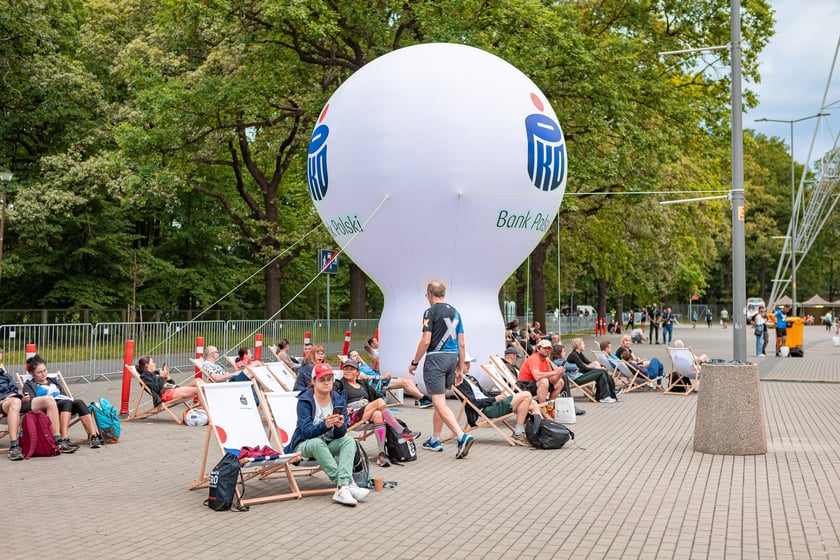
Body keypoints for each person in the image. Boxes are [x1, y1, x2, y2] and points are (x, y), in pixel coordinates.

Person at [286, 363, 369, 507]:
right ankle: (346, 485)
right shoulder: (305, 401)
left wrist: (339, 426)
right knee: (317, 443)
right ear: (313, 381)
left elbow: (340, 434)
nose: (326, 382)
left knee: (349, 441)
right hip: (305, 446)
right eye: (322, 379)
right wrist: (325, 425)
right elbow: (306, 432)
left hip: (328, 444)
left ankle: (342, 488)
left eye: (329, 379)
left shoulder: (338, 399)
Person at [408, 280, 474, 459]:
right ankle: (435, 439)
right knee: (441, 399)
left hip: (435, 358)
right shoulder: (456, 312)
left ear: (429, 295)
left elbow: (426, 340)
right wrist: (460, 368)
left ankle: (461, 436)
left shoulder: (430, 311)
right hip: (452, 358)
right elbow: (462, 343)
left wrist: (414, 362)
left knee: (437, 401)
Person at [336, 359, 416, 467]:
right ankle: (400, 430)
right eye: (346, 369)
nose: (348, 371)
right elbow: (332, 398)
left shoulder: (363, 384)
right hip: (351, 416)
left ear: (357, 372)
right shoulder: (339, 384)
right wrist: (344, 408)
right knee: (378, 403)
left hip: (366, 412)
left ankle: (381, 454)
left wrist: (373, 406)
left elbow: (379, 395)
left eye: (351, 369)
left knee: (378, 414)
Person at [24, 355, 105, 449]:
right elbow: (32, 402)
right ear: (32, 373)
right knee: (67, 402)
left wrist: (68, 395)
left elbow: (62, 395)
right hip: (47, 409)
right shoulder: (30, 385)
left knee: (79, 402)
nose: (43, 374)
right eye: (39, 372)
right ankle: (63, 438)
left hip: (64, 406)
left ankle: (93, 436)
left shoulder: (52, 381)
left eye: (45, 370)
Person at [454, 360, 542, 447]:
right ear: (458, 365)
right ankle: (519, 433)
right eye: (466, 363)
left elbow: (485, 395)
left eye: (469, 363)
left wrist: (497, 398)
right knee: (526, 395)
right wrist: (494, 399)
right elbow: (474, 403)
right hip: (486, 409)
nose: (469, 365)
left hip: (491, 404)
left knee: (533, 403)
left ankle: (540, 433)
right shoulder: (459, 382)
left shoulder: (470, 378)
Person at [0, 349, 65, 459]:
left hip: (16, 401)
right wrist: (6, 398)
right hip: (3, 403)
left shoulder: (3, 372)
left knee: (49, 400)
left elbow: (13, 389)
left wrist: (22, 397)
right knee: (15, 402)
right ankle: (14, 446)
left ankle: (55, 440)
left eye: (0, 353)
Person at [346, 349, 431, 408]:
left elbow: (369, 369)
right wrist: (382, 376)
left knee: (409, 379)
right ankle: (423, 398)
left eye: (358, 355)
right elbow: (366, 377)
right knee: (404, 382)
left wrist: (359, 358)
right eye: (354, 356)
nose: (357, 357)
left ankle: (419, 399)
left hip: (379, 378)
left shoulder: (362, 365)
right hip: (376, 382)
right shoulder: (353, 368)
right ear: (350, 358)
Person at [517, 339, 567, 408]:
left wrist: (560, 373)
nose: (547, 350)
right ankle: (542, 408)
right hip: (524, 385)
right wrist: (554, 372)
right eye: (544, 348)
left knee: (560, 382)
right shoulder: (534, 358)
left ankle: (550, 407)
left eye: (549, 348)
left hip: (534, 384)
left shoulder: (545, 360)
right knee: (544, 381)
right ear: (538, 348)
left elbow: (553, 381)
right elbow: (537, 376)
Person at [565, 338, 618, 403]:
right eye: (583, 344)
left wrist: (600, 366)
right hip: (577, 378)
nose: (584, 345)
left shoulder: (579, 353)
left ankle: (606, 394)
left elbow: (588, 362)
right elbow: (583, 368)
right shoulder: (574, 355)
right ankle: (605, 396)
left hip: (580, 374)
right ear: (578, 345)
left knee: (602, 371)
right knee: (602, 372)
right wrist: (597, 369)